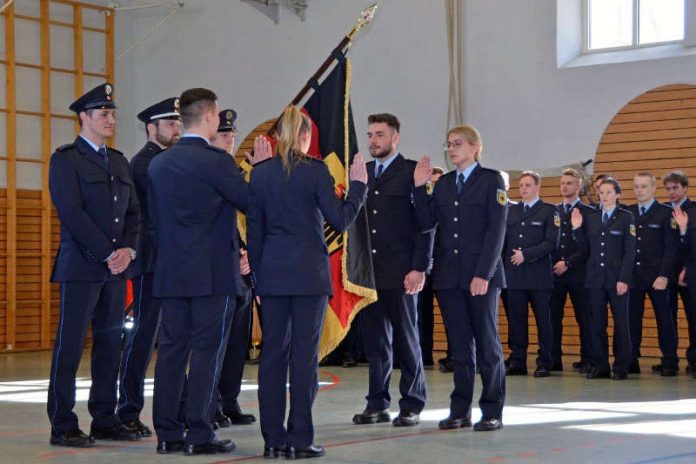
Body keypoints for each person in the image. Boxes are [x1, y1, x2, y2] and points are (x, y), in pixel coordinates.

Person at [149, 88, 270, 456]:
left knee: (171, 352)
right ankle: (200, 432)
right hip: (211, 274)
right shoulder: (217, 162)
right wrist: (261, 171)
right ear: (208, 116)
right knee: (206, 353)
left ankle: (167, 432)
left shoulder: (159, 164)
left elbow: (156, 223)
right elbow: (250, 203)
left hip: (171, 273)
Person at [247, 105, 368, 459]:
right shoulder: (316, 173)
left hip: (271, 276)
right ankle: (300, 439)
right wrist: (358, 189)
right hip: (309, 279)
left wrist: (258, 277)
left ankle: (272, 440)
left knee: (272, 358)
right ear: (306, 136)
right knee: (303, 360)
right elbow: (340, 221)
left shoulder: (261, 175)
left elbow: (255, 234)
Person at [48, 83, 141, 447]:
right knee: (70, 346)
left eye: (113, 114)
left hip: (116, 270)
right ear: (83, 117)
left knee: (109, 344)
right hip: (82, 267)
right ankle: (63, 422)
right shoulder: (66, 159)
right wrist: (108, 253)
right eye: (103, 114)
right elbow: (72, 213)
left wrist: (128, 251)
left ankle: (104, 417)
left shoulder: (117, 160)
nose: (111, 119)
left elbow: (134, 212)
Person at [413, 124, 507, 432]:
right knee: (459, 347)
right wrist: (419, 188)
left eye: (457, 144)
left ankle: (492, 410)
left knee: (488, 345)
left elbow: (496, 231)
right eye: (448, 144)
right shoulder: (444, 184)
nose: (451, 149)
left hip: (480, 277)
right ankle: (460, 409)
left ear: (474, 147)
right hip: (449, 277)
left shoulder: (491, 180)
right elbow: (427, 223)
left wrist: (484, 273)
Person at [352, 113, 433, 428]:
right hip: (369, 273)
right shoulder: (364, 172)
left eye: (380, 135)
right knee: (375, 344)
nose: (373, 140)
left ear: (395, 138)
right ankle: (377, 403)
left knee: (406, 340)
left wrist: (419, 268)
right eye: (370, 134)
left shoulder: (411, 172)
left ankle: (412, 403)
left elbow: (425, 227)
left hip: (401, 272)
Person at [117, 97, 181, 437]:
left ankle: (178, 407)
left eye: (177, 123)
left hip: (172, 263)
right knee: (142, 336)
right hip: (151, 263)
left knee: (175, 337)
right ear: (151, 127)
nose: (176, 128)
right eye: (169, 123)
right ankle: (127, 409)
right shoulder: (144, 164)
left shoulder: (170, 161)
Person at [210, 108, 256, 427]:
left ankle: (230, 400)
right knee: (215, 342)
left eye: (232, 136)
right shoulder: (211, 172)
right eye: (223, 135)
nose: (229, 140)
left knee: (237, 341)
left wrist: (248, 253)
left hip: (242, 268)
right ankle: (209, 402)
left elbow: (248, 221)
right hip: (216, 271)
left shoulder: (239, 174)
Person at [570, 177, 635, 380]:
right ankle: (601, 366)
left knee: (621, 325)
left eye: (608, 192)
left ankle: (622, 366)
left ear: (617, 194)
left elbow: (630, 251)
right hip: (595, 279)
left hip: (617, 279)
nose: (604, 196)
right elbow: (584, 249)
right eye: (601, 192)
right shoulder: (591, 217)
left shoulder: (626, 217)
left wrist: (624, 278)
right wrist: (576, 229)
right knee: (597, 324)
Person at [503, 171, 559, 378]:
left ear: (537, 187)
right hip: (515, 276)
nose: (524, 189)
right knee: (517, 321)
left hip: (538, 277)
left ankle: (545, 361)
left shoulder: (549, 211)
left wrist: (526, 255)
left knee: (544, 321)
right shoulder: (512, 211)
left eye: (528, 185)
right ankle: (518, 361)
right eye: (522, 185)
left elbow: (551, 243)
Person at [627, 173, 679, 376]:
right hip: (634, 276)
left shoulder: (666, 213)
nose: (639, 190)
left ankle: (669, 361)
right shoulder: (628, 212)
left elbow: (671, 249)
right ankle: (631, 360)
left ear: (653, 188)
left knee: (665, 320)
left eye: (643, 186)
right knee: (632, 320)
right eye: (636, 186)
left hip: (658, 277)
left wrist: (664, 275)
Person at [549, 168, 594, 373]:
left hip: (579, 273)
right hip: (555, 274)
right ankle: (553, 359)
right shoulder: (553, 211)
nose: (564, 186)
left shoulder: (589, 212)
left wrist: (567, 263)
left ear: (579, 185)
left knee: (584, 317)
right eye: (562, 183)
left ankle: (588, 359)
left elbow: (588, 246)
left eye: (569, 183)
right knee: (553, 318)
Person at [663, 171, 696, 374]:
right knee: (668, 317)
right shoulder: (664, 211)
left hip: (688, 274)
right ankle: (669, 359)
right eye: (668, 189)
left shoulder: (693, 210)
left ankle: (694, 360)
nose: (671, 192)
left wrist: (686, 268)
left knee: (693, 317)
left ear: (685, 188)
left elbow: (692, 246)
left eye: (675, 188)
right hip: (667, 274)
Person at [419, 166, 445, 368]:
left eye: (438, 182)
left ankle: (453, 355)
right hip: (425, 268)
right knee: (423, 313)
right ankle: (424, 354)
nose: (434, 186)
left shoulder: (449, 206)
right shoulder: (426, 206)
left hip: (444, 268)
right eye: (431, 183)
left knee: (449, 315)